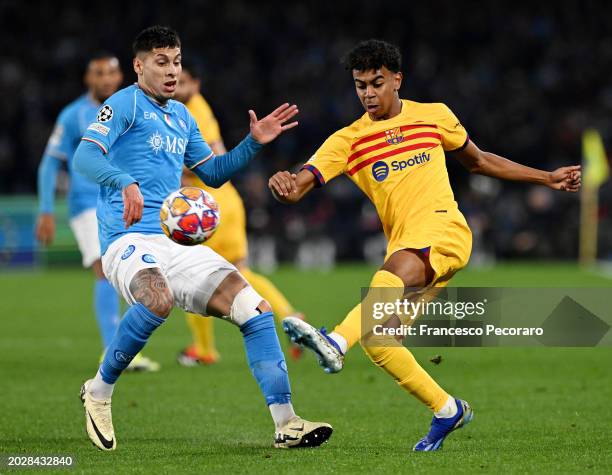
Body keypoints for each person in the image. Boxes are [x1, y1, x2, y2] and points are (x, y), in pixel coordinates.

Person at [268, 39, 581, 452]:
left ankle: (337, 342)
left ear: (397, 79)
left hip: (443, 231)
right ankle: (447, 408)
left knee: (391, 275)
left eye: (377, 83)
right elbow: (298, 188)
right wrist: (283, 186)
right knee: (381, 341)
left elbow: (480, 161)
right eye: (360, 85)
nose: (368, 93)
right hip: (407, 247)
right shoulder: (346, 141)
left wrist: (547, 177)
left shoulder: (434, 116)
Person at [74, 25, 332, 451]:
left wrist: (253, 142)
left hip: (175, 242)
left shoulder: (182, 116)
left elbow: (212, 173)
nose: (172, 70)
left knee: (255, 309)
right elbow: (86, 155)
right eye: (162, 62)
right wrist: (124, 181)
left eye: (176, 61)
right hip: (127, 238)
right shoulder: (123, 104)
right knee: (155, 300)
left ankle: (287, 423)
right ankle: (99, 391)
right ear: (139, 66)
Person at [173, 61, 305, 366]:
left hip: (206, 207)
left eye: (183, 82)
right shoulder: (193, 108)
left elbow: (213, 158)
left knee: (188, 273)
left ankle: (204, 349)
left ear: (196, 84)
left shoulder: (193, 111)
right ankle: (290, 315)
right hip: (225, 201)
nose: (176, 87)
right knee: (240, 272)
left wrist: (166, 163)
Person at [36, 53, 159, 372]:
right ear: (88, 79)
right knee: (103, 270)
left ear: (120, 76)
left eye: (111, 73)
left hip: (126, 201)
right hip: (87, 205)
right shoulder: (73, 115)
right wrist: (46, 210)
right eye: (99, 73)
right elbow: (50, 162)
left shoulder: (132, 105)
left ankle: (123, 346)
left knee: (135, 271)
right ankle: (112, 350)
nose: (106, 78)